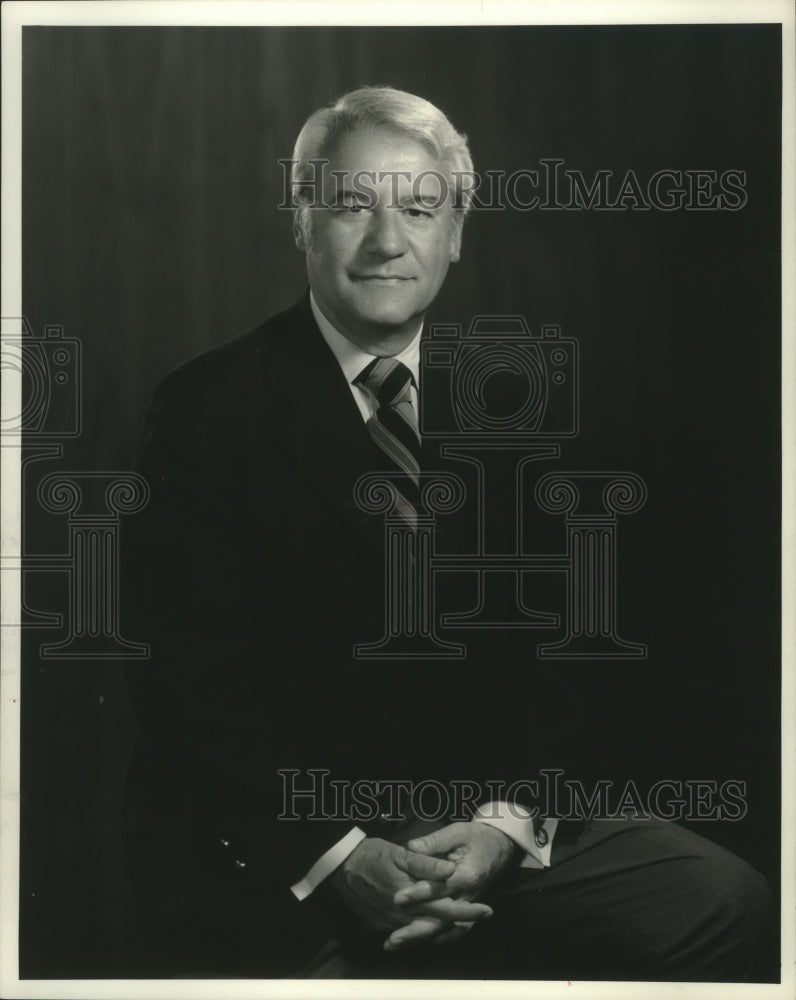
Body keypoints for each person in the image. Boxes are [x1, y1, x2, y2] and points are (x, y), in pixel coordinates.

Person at [122, 85, 772, 981]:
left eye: (421, 209)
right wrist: (342, 858)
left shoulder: (508, 395)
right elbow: (193, 700)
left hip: (480, 829)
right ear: (302, 222)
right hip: (290, 854)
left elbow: (566, 668)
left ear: (456, 233)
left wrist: (507, 828)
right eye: (353, 205)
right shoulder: (207, 411)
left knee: (724, 903)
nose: (389, 241)